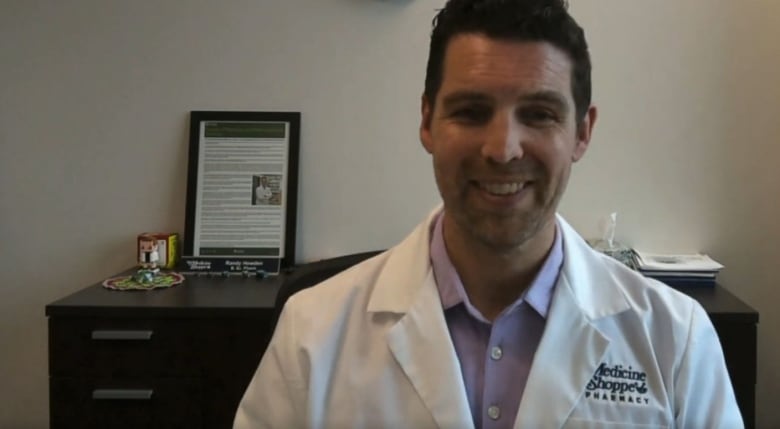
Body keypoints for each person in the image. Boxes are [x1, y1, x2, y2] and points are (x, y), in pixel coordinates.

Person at [234, 0, 743, 427]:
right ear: (427, 121)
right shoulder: (313, 333)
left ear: (582, 132)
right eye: (472, 112)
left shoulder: (676, 340)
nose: (502, 149)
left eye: (539, 114)